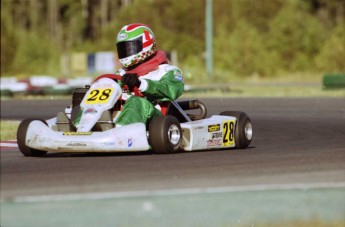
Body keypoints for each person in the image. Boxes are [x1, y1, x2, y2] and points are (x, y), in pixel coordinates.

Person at [112, 23, 184, 127]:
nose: (126, 52)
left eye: (130, 48)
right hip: (121, 114)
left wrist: (141, 84)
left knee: (137, 102)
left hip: (156, 122)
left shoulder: (168, 71)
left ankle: (118, 133)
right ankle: (81, 130)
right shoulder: (121, 73)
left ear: (146, 45)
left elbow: (171, 90)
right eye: (123, 49)